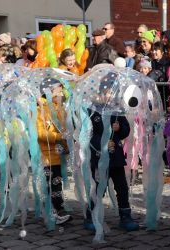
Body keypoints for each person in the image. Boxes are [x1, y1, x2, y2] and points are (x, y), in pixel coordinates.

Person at [84, 73, 139, 232]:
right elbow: (87, 134)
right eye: (107, 91)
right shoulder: (92, 110)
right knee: (99, 187)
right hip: (99, 157)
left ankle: (125, 216)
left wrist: (119, 128)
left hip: (115, 157)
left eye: (113, 92)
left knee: (122, 187)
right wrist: (100, 142)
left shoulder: (117, 109)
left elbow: (126, 131)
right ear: (101, 92)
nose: (110, 95)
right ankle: (91, 216)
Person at [37, 81, 71, 225]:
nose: (62, 94)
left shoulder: (60, 109)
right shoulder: (40, 110)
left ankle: (58, 209)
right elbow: (40, 133)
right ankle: (55, 211)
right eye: (59, 91)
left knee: (56, 182)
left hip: (57, 154)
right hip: (46, 155)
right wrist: (58, 137)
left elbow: (63, 130)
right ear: (50, 92)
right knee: (51, 184)